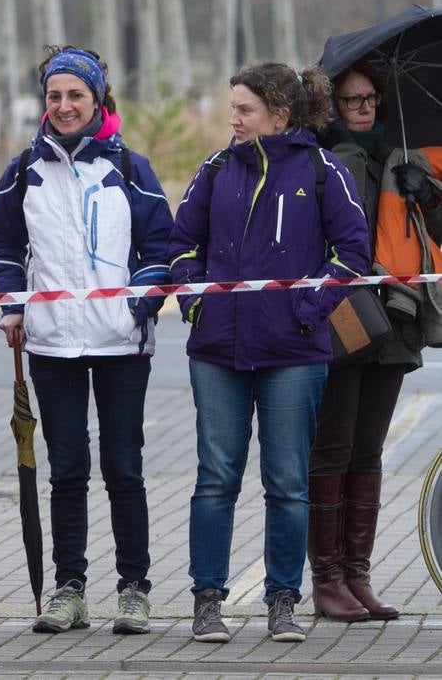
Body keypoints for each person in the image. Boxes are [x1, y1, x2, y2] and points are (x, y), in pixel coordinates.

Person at [169, 62, 370, 644]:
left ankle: (283, 600)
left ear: (279, 116)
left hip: (293, 353)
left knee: (286, 482)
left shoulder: (322, 170)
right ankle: (207, 600)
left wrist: (305, 312)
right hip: (217, 353)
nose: (232, 119)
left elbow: (353, 254)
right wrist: (197, 305)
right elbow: (182, 247)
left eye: (244, 109)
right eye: (232, 107)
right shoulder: (214, 169)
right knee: (215, 480)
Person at [0, 46, 173, 636]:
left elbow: (160, 247)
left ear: (97, 100)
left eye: (75, 96)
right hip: (51, 346)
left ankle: (134, 589)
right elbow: (3, 245)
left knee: (124, 469)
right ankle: (69, 589)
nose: (64, 107)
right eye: (54, 96)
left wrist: (139, 303)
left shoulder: (130, 168)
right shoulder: (24, 170)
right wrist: (15, 306)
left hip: (120, 345)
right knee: (66, 469)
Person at [308, 61, 434, 621]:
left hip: (395, 324)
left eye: (370, 99)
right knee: (331, 450)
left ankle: (358, 575)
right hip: (343, 320)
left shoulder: (403, 154)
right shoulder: (319, 159)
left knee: (368, 452)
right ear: (331, 104)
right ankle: (327, 579)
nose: (362, 108)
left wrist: (425, 197)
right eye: (351, 99)